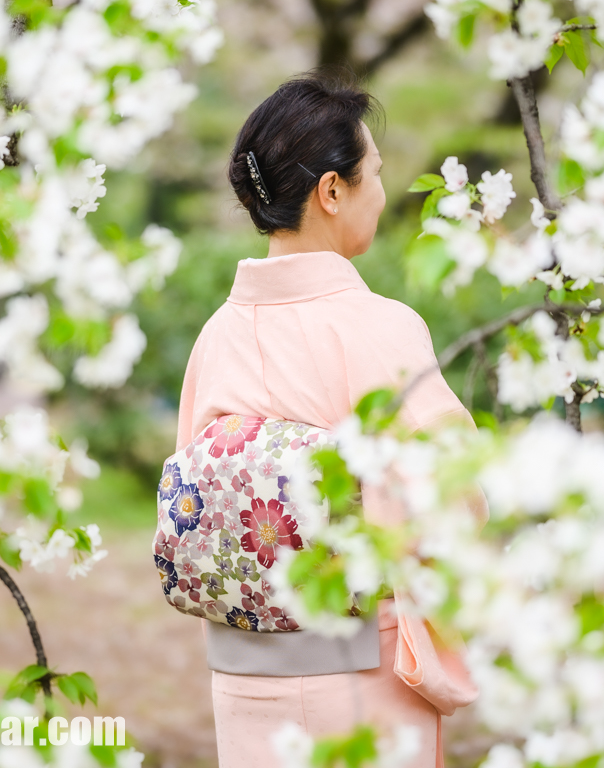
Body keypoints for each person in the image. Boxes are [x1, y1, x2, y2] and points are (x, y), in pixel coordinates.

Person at [175, 71, 481, 768]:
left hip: (242, 673)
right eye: (376, 172)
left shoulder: (216, 336)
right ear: (333, 190)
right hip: (364, 673)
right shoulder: (380, 326)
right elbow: (454, 495)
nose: (382, 191)